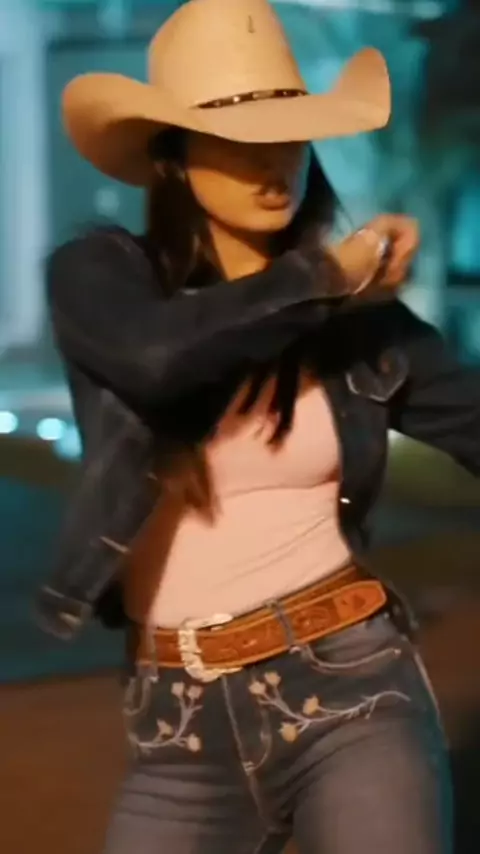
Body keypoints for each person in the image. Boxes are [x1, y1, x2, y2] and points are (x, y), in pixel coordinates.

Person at [36, 0, 480, 851]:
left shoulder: (360, 323)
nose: (272, 161)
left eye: (288, 135)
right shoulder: (100, 274)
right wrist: (323, 278)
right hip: (175, 725)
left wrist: (339, 292)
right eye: (237, 140)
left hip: (350, 685)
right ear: (173, 156)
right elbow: (157, 360)